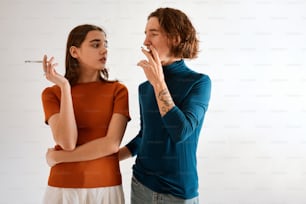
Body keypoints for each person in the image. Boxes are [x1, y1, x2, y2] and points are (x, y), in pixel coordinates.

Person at [118, 7, 212, 204]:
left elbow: (180, 131)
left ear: (175, 39)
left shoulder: (199, 82)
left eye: (153, 33)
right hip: (141, 185)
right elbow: (146, 136)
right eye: (145, 34)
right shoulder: (145, 88)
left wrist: (159, 82)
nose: (145, 42)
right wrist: (111, 159)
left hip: (178, 193)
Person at [41, 24, 130, 204]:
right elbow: (67, 142)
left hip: (107, 186)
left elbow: (111, 144)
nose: (104, 50)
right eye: (96, 45)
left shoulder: (117, 91)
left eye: (106, 45)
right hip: (62, 186)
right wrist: (65, 87)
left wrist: (59, 158)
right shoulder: (52, 94)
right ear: (75, 52)